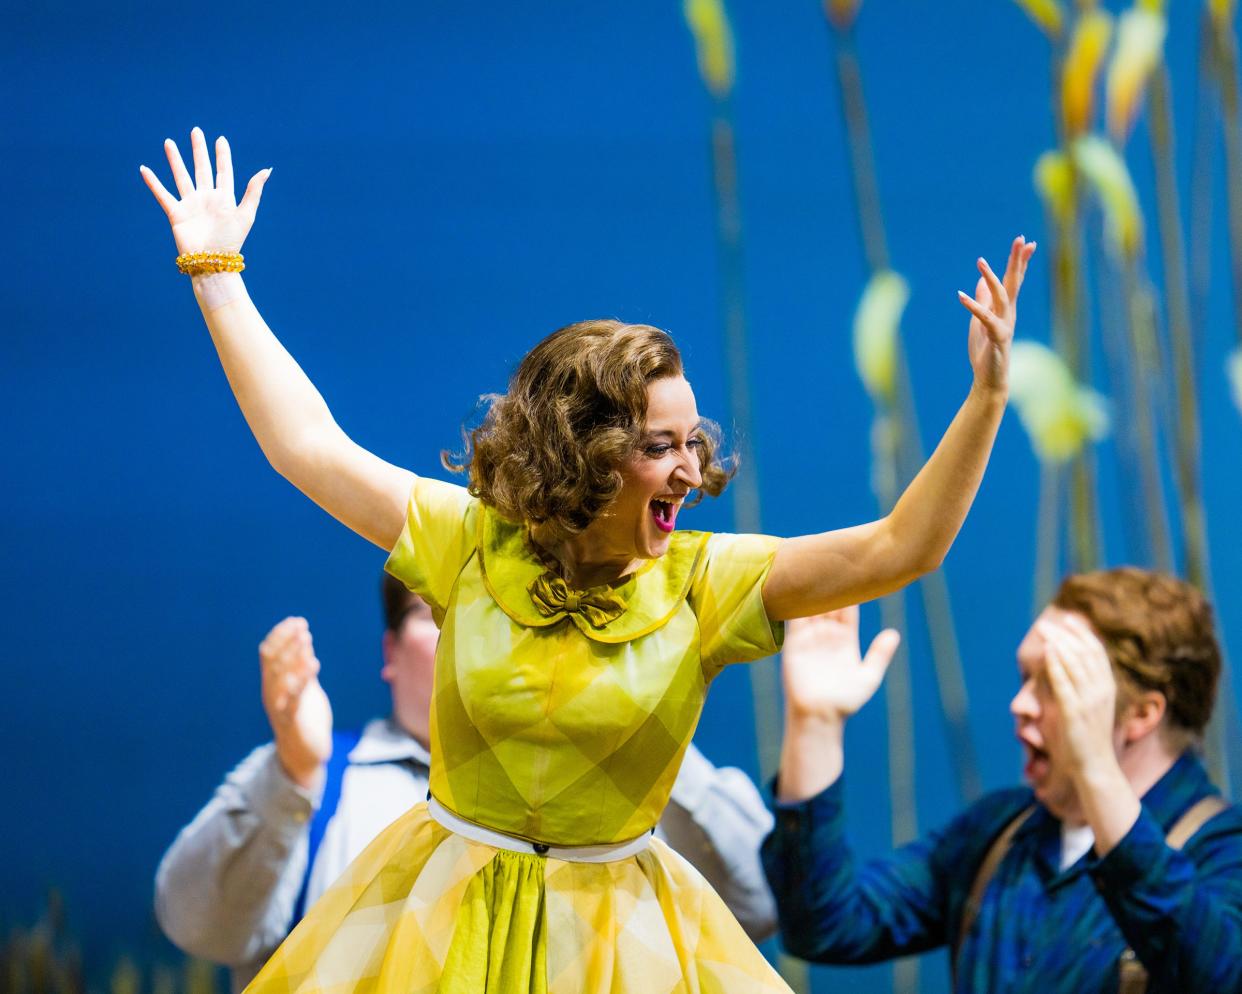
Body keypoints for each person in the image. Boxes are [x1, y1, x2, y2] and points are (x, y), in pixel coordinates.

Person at [140, 127, 1033, 993]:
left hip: (618, 947)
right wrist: (217, 275)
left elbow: (899, 546)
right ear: (585, 452)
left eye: (694, 441)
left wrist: (987, 396)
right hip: (436, 926)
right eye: (660, 445)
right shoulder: (470, 541)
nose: (690, 469)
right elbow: (308, 446)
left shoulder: (703, 583)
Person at [155, 576, 782, 991]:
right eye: (446, 612)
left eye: (529, 619)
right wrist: (292, 770)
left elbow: (759, 909)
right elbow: (194, 925)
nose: (494, 638)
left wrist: (643, 727)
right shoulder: (319, 777)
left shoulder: (624, 801)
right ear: (392, 651)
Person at [763, 569, 1242, 993]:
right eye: (1024, 678)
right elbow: (826, 926)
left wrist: (1097, 768)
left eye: (1054, 684)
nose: (1020, 704)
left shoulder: (1223, 851)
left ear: (1141, 713)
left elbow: (1215, 973)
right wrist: (815, 724)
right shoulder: (999, 833)